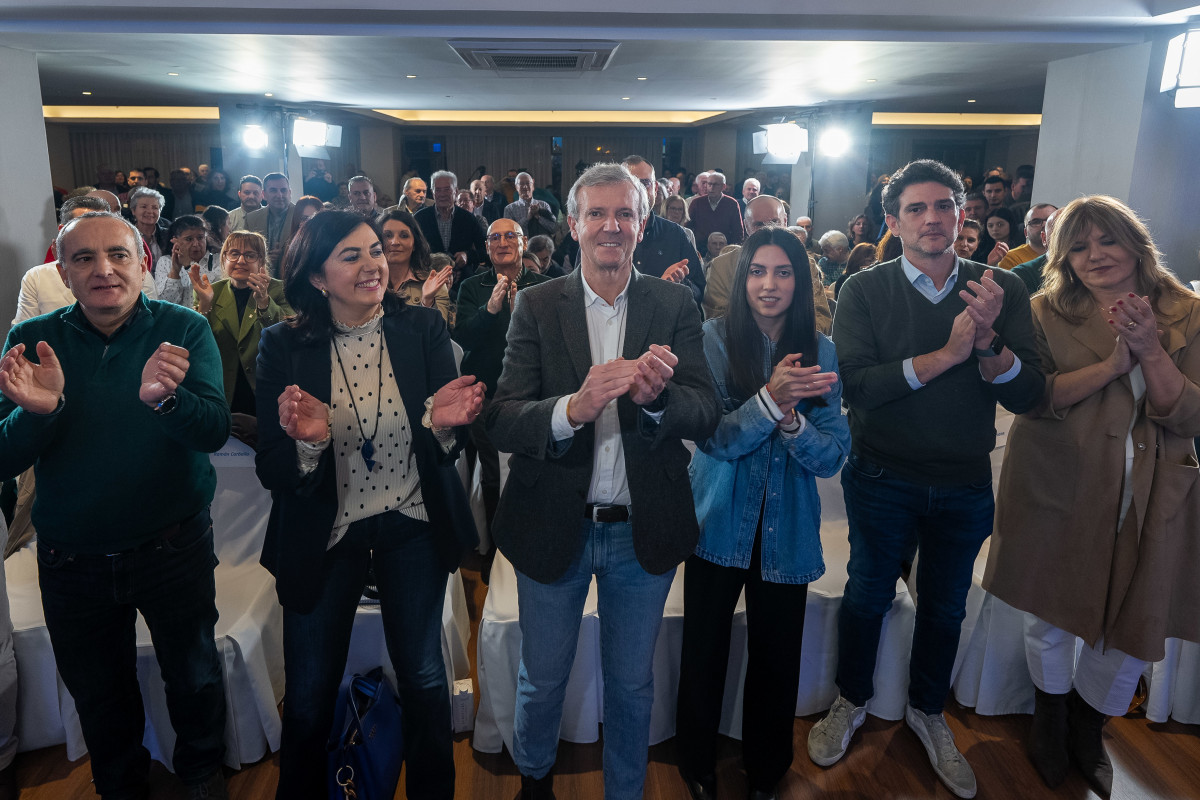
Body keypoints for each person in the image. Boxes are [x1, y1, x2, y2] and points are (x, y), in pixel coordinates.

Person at [810, 159, 1044, 800]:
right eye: (916, 209)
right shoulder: (865, 290)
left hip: (966, 481)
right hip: (882, 475)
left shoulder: (998, 289)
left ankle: (927, 710)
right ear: (893, 221)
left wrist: (990, 338)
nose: (933, 219)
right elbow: (860, 388)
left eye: (945, 206)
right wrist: (947, 355)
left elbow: (1029, 394)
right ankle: (851, 700)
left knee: (945, 607)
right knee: (867, 596)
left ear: (962, 214)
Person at [485, 163, 720, 799]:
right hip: (551, 524)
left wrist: (654, 404)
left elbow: (706, 408)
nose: (611, 226)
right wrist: (572, 409)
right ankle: (536, 781)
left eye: (625, 214)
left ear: (643, 226)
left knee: (633, 682)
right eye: (597, 214)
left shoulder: (673, 303)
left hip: (642, 531)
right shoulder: (538, 303)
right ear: (573, 224)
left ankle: (625, 792)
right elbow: (503, 417)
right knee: (542, 676)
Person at [0, 211, 231, 800]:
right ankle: (120, 785)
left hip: (172, 546)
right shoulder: (32, 341)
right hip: (70, 559)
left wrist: (165, 402)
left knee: (195, 676)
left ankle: (202, 774)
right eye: (84, 259)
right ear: (63, 271)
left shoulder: (184, 328)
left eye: (118, 255)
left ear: (142, 262)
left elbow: (211, 431)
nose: (103, 270)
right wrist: (39, 413)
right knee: (100, 693)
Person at [254, 210, 483, 800]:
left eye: (375, 251)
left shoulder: (421, 329)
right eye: (350, 256)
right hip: (325, 529)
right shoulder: (283, 344)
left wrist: (446, 427)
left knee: (426, 679)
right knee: (307, 695)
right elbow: (271, 468)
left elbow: (441, 435)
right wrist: (308, 448)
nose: (372, 265)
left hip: (411, 520)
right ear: (316, 277)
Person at [983, 196, 1200, 797]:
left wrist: (1151, 350)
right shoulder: (1043, 311)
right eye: (1077, 247)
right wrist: (1114, 363)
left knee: (1136, 619)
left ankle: (1088, 723)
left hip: (1155, 488)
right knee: (1051, 609)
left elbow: (1188, 413)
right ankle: (1049, 720)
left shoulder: (1188, 311)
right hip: (1060, 476)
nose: (1093, 256)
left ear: (1136, 244)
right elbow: (1035, 395)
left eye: (1106, 240)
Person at [676, 228, 850, 800]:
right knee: (704, 651)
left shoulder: (821, 350)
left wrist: (794, 423)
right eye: (757, 271)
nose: (768, 285)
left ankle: (767, 771)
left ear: (799, 281)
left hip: (788, 528)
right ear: (741, 277)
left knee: (777, 660)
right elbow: (716, 439)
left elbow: (833, 455)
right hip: (718, 518)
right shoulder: (713, 340)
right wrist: (772, 400)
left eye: (782, 272)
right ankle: (696, 764)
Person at [189, 230, 293, 445]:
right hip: (223, 387)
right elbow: (198, 345)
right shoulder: (210, 290)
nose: (241, 261)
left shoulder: (279, 290)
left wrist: (264, 302)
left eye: (250, 255)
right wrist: (205, 305)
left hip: (265, 387)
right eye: (234, 254)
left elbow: (287, 338)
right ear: (224, 258)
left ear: (262, 261)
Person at [379, 207, 454, 324]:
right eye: (388, 235)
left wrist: (427, 302)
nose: (395, 242)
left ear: (414, 244)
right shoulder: (368, 279)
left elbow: (440, 333)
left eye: (404, 236)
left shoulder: (432, 282)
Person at [155, 215, 220, 306]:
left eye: (200, 238)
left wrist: (188, 266)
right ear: (175, 240)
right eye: (189, 239)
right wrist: (175, 271)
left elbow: (211, 293)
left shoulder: (218, 260)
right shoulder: (165, 262)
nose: (196, 244)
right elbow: (165, 302)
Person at [129, 186, 171, 262]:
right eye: (144, 207)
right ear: (133, 210)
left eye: (155, 207)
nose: (149, 211)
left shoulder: (168, 235)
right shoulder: (127, 235)